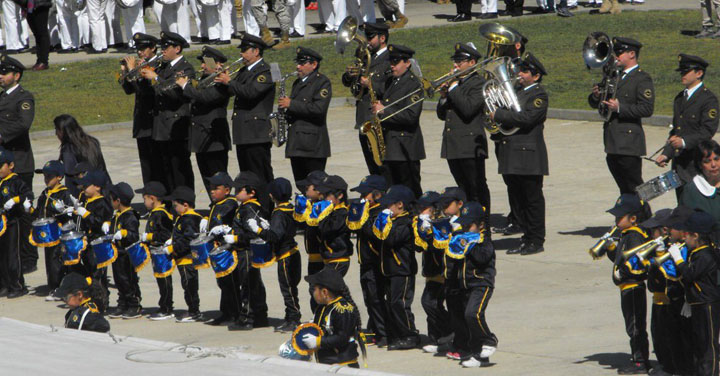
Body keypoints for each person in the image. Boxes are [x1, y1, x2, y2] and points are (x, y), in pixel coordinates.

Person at [490, 53, 549, 256]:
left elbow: (526, 118)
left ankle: (536, 239)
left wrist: (499, 114)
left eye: (524, 72)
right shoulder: (517, 91)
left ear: (536, 75)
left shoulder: (539, 95)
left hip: (528, 155)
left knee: (532, 199)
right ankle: (526, 237)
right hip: (512, 152)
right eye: (520, 71)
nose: (520, 75)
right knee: (519, 198)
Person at [589, 37, 654, 195]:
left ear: (632, 54)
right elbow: (596, 103)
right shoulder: (613, 75)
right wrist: (597, 96)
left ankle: (643, 216)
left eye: (619, 52)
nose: (615, 56)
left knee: (635, 186)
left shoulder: (641, 78)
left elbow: (646, 109)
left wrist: (620, 108)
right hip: (612, 141)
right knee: (623, 188)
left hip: (629, 142)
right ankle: (630, 216)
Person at [436, 42, 490, 224]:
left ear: (472, 62)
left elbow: (468, 109)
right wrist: (444, 97)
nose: (455, 65)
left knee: (476, 188)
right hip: (453, 145)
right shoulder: (456, 84)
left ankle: (482, 224)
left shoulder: (479, 83)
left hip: (470, 145)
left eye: (460, 61)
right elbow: (442, 115)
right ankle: (466, 222)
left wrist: (452, 88)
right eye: (455, 61)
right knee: (462, 188)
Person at [215, 33, 276, 186]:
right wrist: (221, 78)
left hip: (256, 132)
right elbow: (231, 91)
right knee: (247, 177)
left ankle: (266, 206)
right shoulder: (244, 71)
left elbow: (251, 92)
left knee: (260, 174)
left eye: (244, 50)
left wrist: (229, 81)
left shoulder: (265, 72)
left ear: (256, 51)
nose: (241, 54)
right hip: (244, 132)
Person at [140, 32, 195, 193]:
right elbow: (147, 93)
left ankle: (184, 201)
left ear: (177, 48)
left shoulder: (185, 68)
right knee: (165, 168)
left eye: (166, 47)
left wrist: (155, 78)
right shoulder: (163, 67)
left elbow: (174, 93)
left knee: (180, 168)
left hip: (176, 126)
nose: (162, 50)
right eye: (162, 47)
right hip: (161, 126)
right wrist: (142, 76)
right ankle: (171, 202)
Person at [666, 210, 720, 376]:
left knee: (708, 347)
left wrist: (678, 259)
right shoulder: (697, 254)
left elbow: (689, 275)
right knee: (699, 345)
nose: (684, 238)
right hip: (698, 304)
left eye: (687, 235)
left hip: (707, 305)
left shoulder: (705, 255)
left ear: (695, 236)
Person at [603, 194, 652, 374]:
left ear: (633, 218)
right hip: (626, 288)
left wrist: (621, 273)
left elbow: (637, 264)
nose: (616, 221)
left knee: (636, 326)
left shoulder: (635, 236)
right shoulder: (627, 234)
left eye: (619, 217)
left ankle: (640, 361)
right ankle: (638, 358)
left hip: (633, 288)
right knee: (631, 325)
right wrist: (611, 249)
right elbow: (620, 258)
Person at [655, 54, 719, 191]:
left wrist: (683, 142)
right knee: (682, 204)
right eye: (682, 72)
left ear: (699, 73)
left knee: (696, 204)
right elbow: (676, 131)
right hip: (679, 162)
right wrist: (667, 153)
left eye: (686, 72)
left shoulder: (708, 99)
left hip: (696, 162)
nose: (682, 75)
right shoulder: (679, 98)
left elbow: (707, 131)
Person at [446, 202, 498, 368]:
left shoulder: (484, 241)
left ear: (481, 225)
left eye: (470, 225)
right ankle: (478, 354)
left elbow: (482, 258)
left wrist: (470, 246)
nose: (466, 228)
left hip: (481, 284)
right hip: (465, 286)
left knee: (473, 314)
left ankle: (490, 339)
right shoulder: (462, 237)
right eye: (464, 225)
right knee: (468, 321)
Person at [177, 46, 232, 196]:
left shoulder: (221, 82)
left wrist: (184, 86)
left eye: (205, 62)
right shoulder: (203, 80)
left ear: (216, 64)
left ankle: (224, 206)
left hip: (214, 138)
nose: (202, 66)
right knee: (207, 177)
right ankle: (214, 206)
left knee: (218, 178)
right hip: (200, 136)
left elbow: (206, 97)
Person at [371, 44, 425, 198]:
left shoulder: (414, 84)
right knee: (392, 191)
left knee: (409, 190)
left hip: (405, 147)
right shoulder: (391, 81)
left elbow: (411, 116)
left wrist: (384, 110)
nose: (392, 66)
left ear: (407, 63)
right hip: (391, 146)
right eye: (391, 62)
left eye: (396, 62)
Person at [0, 55, 37, 273]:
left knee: (23, 214)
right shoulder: (3, 97)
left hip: (19, 163)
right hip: (3, 164)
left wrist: (2, 136)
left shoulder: (24, 98)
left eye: (5, 73)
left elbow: (23, 125)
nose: (1, 76)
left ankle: (28, 257)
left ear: (17, 75)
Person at [251, 177, 301, 332]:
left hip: (285, 255)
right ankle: (290, 316)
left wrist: (259, 230)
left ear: (272, 196)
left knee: (288, 289)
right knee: (291, 288)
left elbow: (274, 236)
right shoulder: (290, 208)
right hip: (293, 252)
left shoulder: (279, 213)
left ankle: (293, 319)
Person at [373, 184, 420, 350]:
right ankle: (399, 333)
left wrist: (384, 221)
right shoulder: (393, 221)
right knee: (392, 304)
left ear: (400, 205)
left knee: (400, 304)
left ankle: (410, 335)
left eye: (388, 205)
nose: (385, 208)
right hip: (391, 270)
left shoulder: (405, 223)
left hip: (402, 270)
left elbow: (392, 239)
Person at [341, 22, 391, 177]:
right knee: (371, 165)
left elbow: (392, 88)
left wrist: (372, 84)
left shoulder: (390, 59)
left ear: (382, 38)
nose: (367, 41)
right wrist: (349, 75)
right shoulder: (363, 55)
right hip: (363, 117)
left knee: (382, 165)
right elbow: (349, 84)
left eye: (370, 37)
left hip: (378, 118)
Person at [347, 175, 388, 346]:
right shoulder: (367, 211)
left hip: (375, 262)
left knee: (376, 297)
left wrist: (362, 219)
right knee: (368, 298)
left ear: (377, 195)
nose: (362, 198)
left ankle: (384, 333)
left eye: (366, 194)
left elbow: (376, 233)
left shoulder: (381, 212)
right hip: (364, 261)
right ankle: (375, 329)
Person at [225, 171, 269, 330]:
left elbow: (252, 234)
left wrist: (235, 239)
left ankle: (248, 318)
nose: (235, 192)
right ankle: (260, 316)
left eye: (239, 190)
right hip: (245, 251)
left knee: (248, 285)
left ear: (251, 192)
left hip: (247, 252)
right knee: (254, 283)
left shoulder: (249, 209)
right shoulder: (245, 207)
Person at [282, 47, 332, 183]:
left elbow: (318, 109)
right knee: (300, 183)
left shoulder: (322, 82)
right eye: (297, 63)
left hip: (312, 145)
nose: (298, 67)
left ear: (314, 64)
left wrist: (291, 104)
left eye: (302, 63)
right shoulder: (297, 83)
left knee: (315, 186)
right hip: (297, 143)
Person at [119, 33, 161, 185]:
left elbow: (146, 91)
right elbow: (130, 90)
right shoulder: (141, 65)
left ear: (153, 48)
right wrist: (125, 71)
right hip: (142, 121)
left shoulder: (158, 65)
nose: (140, 52)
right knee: (145, 163)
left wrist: (133, 71)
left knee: (156, 163)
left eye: (143, 48)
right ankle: (149, 191)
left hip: (153, 121)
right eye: (138, 49)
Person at [414, 191, 453, 354]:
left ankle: (451, 331)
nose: (422, 211)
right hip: (431, 270)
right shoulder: (423, 222)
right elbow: (418, 246)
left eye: (426, 208)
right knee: (431, 305)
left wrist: (430, 229)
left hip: (443, 271)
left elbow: (437, 245)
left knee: (430, 302)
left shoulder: (444, 224)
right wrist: (423, 227)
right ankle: (435, 337)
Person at [203, 172, 243, 327]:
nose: (212, 191)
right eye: (211, 188)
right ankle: (226, 311)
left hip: (228, 250)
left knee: (230, 282)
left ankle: (234, 313)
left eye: (216, 188)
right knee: (222, 281)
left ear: (227, 190)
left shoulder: (230, 204)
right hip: (218, 250)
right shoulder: (216, 204)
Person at [30, 160, 75, 299]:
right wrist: (30, 209)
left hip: (60, 233)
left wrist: (66, 210)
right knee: (50, 261)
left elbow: (69, 213)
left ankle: (61, 288)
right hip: (47, 234)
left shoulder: (64, 194)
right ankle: (53, 286)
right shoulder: (44, 193)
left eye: (49, 176)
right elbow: (39, 213)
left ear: (59, 177)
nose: (46, 179)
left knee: (58, 260)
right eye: (45, 176)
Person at [303, 267, 363, 367]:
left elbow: (342, 337)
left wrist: (318, 341)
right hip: (328, 363)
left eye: (314, 289)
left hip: (342, 365)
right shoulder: (322, 307)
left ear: (324, 292)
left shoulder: (343, 310)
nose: (312, 292)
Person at [136, 181, 176, 320]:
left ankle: (167, 308)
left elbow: (166, 234)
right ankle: (164, 305)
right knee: (160, 281)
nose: (144, 202)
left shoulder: (161, 214)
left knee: (165, 281)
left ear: (152, 199)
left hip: (163, 254)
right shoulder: (154, 213)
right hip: (156, 253)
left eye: (145, 198)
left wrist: (150, 236)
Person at [164, 186, 204, 323]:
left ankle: (194, 311)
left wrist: (173, 248)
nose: (174, 208)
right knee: (187, 285)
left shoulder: (189, 219)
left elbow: (188, 239)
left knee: (189, 286)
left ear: (185, 205)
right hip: (183, 260)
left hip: (188, 260)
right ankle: (193, 309)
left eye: (176, 205)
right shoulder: (184, 217)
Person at [74, 170, 113, 297]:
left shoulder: (101, 203)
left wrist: (85, 214)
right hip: (87, 243)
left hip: (97, 244)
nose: (83, 189)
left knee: (98, 274)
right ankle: (92, 296)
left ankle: (101, 300)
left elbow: (98, 222)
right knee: (88, 271)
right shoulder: (87, 200)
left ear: (97, 187)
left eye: (86, 186)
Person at [107, 182, 142, 319]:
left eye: (112, 199)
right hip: (117, 253)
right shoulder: (118, 215)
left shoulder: (130, 216)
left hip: (127, 255)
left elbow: (134, 235)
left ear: (118, 200)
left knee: (128, 280)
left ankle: (134, 304)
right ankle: (122, 303)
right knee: (119, 280)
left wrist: (124, 233)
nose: (111, 202)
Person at [0, 146, 32, 298]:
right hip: (2, 223)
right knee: (2, 255)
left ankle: (17, 285)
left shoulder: (16, 181)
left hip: (13, 222)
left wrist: (15, 200)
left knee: (13, 255)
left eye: (1, 166)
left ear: (11, 165)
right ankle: (5, 284)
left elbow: (27, 194)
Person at [295, 169, 328, 312]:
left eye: (307, 187)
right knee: (313, 290)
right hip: (312, 257)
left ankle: (325, 319)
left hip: (323, 258)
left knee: (324, 291)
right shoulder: (312, 205)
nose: (304, 190)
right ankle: (316, 317)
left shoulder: (324, 208)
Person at [54, 114, 108, 198]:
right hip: (102, 189)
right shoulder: (93, 141)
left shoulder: (68, 149)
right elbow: (102, 167)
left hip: (84, 194)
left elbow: (70, 175)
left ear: (64, 131)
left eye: (57, 130)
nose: (56, 133)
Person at [312, 175, 353, 276]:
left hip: (338, 259)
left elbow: (327, 229)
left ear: (339, 196)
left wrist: (321, 215)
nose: (323, 198)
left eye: (327, 194)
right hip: (329, 258)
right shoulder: (332, 210)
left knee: (327, 286)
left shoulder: (342, 213)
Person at [679, 140, 720, 223]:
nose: (713, 165)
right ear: (700, 165)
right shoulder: (691, 191)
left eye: (716, 159)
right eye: (707, 161)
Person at [23, 0, 51, 70]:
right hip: (30, 5)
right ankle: (39, 60)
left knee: (42, 32)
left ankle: (43, 61)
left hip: (40, 4)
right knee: (37, 34)